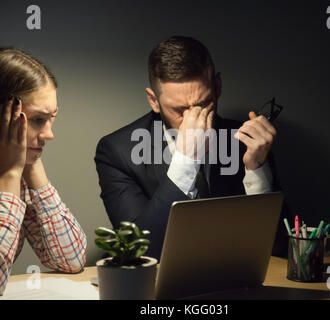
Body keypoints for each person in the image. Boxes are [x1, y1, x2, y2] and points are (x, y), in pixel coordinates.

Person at [95, 36, 288, 260]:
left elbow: (279, 248)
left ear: (217, 87)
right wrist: (185, 160)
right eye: (179, 110)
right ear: (153, 100)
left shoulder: (247, 144)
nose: (193, 119)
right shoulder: (118, 152)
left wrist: (257, 170)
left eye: (203, 104)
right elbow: (141, 253)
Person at [0, 48, 87, 296]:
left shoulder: (18, 166)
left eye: (52, 119)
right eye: (39, 120)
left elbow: (72, 260)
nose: (50, 134)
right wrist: (8, 175)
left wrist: (32, 167)